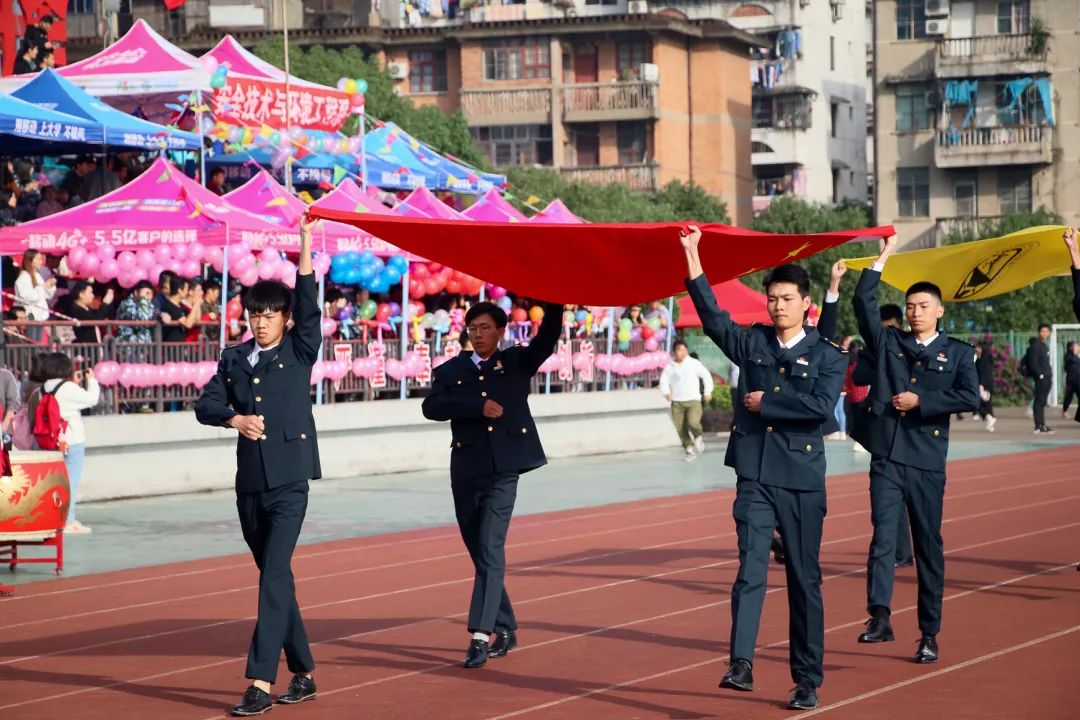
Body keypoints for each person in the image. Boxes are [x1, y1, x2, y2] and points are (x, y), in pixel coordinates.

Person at [681, 225, 846, 711]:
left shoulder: (827, 355)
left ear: (806, 304)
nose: (778, 306)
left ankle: (807, 679)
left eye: (787, 299)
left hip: (800, 479)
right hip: (753, 474)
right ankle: (741, 663)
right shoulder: (753, 342)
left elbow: (821, 408)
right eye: (772, 298)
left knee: (803, 579)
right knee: (750, 567)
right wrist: (693, 256)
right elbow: (713, 319)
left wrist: (767, 403)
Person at [195, 216, 321, 716]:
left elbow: (309, 301)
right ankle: (303, 671)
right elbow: (205, 405)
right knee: (276, 578)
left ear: (285, 319)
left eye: (271, 314)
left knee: (272, 577)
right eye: (255, 314)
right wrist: (234, 419)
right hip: (249, 484)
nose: (261, 322)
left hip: (290, 481)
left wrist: (305, 242)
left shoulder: (300, 348)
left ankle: (261, 683)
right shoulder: (233, 359)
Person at [853, 235, 979, 665]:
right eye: (910, 306)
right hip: (887, 456)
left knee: (927, 547)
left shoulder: (957, 353)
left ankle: (929, 633)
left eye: (923, 306)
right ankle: (879, 616)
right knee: (883, 537)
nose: (915, 312)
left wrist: (922, 401)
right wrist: (883, 258)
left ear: (939, 310)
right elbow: (863, 302)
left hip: (926, 460)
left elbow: (969, 397)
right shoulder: (890, 342)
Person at [421, 295, 563, 669]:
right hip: (466, 470)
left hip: (504, 470)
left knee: (490, 547)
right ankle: (506, 625)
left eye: (485, 328)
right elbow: (431, 407)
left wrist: (556, 301)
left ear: (501, 331)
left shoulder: (516, 362)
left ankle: (481, 635)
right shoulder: (451, 370)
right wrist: (475, 406)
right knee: (480, 552)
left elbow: (547, 338)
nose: (478, 334)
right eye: (473, 328)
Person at [29, 352, 101, 535]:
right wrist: (92, 381)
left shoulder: (44, 388)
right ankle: (68, 521)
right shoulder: (67, 387)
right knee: (71, 482)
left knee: (54, 484)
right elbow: (92, 399)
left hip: (49, 441)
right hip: (71, 441)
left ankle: (52, 519)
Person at [659, 340, 714, 462]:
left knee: (693, 422)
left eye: (685, 350)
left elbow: (706, 375)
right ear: (674, 352)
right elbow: (663, 380)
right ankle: (689, 450)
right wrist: (666, 392)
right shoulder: (670, 366)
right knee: (680, 428)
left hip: (693, 400)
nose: (683, 352)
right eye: (680, 350)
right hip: (677, 402)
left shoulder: (694, 363)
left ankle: (698, 437)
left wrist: (708, 391)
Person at [14, 249, 56, 342]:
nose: (41, 262)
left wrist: (50, 286)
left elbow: (45, 295)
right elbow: (28, 297)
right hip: (30, 314)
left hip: (39, 314)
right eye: (38, 259)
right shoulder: (23, 277)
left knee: (37, 342)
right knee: (31, 342)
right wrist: (43, 287)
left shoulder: (37, 275)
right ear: (30, 260)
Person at [1025, 323, 1053, 434]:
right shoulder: (1036, 346)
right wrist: (1040, 374)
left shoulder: (1044, 346)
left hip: (1047, 376)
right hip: (1041, 378)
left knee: (1042, 402)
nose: (1044, 333)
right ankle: (1038, 425)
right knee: (1038, 401)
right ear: (1039, 332)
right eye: (1042, 331)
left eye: (1046, 331)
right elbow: (1033, 363)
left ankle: (1042, 425)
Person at [976, 341, 997, 432]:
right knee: (987, 403)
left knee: (976, 401)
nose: (976, 349)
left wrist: (981, 384)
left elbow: (983, 373)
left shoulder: (982, 360)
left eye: (978, 347)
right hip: (988, 383)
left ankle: (988, 417)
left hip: (984, 384)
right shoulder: (987, 358)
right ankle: (990, 421)